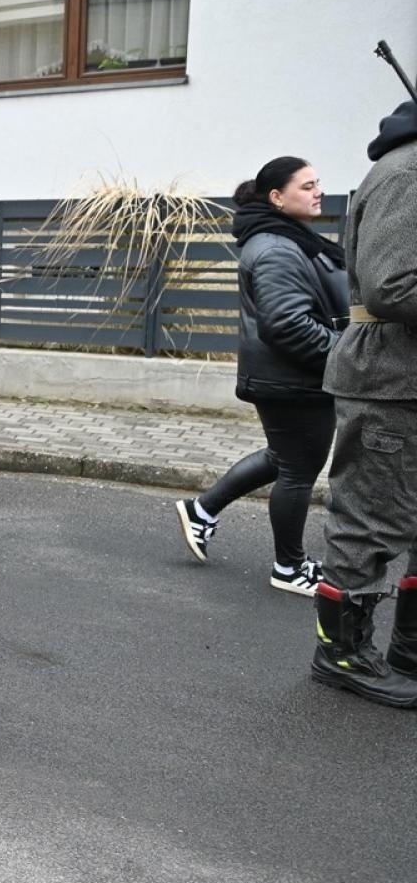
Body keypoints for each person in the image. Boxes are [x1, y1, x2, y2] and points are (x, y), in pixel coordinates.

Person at [173, 157, 348, 596]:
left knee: (284, 457)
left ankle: (202, 510)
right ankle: (288, 567)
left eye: (317, 183)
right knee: (298, 469)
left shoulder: (288, 238)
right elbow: (286, 324)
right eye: (307, 185)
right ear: (277, 197)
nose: (317, 191)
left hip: (289, 376)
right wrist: (347, 355)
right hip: (293, 379)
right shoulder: (274, 248)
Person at [308, 99, 417, 708]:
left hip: (407, 378)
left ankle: (409, 646)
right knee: (369, 521)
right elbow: (391, 284)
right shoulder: (408, 174)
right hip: (389, 378)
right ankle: (342, 654)